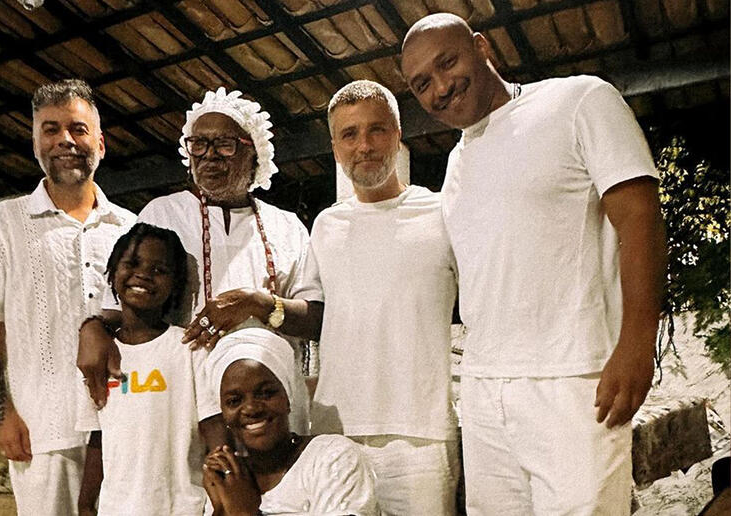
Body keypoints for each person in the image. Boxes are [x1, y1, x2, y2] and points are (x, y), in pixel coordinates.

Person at [401, 13, 666, 514]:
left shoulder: (578, 100)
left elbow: (640, 218)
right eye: (421, 84)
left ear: (482, 48)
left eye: (447, 62)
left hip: (573, 381)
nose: (440, 87)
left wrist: (636, 344)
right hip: (484, 390)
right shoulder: (458, 161)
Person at [188, 80, 462, 515]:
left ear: (398, 134)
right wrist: (261, 303)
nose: (365, 145)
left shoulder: (442, 213)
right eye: (350, 134)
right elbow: (316, 316)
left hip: (420, 436)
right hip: (338, 428)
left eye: (377, 130)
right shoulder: (326, 226)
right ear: (335, 147)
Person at [78, 88, 320, 434]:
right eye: (198, 145)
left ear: (254, 153)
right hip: (185, 402)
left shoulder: (287, 227)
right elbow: (119, 306)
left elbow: (315, 320)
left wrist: (258, 304)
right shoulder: (162, 214)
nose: (209, 157)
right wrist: (92, 327)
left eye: (224, 144)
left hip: (269, 405)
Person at [0, 79, 136, 515]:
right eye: (50, 130)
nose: (65, 141)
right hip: (44, 431)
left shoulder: (130, 227)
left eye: (77, 129)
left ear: (101, 142)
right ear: (35, 142)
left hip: (125, 426)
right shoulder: (7, 221)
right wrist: (2, 414)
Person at [76, 223, 225, 516]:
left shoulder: (189, 349)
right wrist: (85, 504)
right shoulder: (96, 358)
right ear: (112, 274)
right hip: (116, 509)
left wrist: (220, 503)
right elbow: (97, 440)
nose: (143, 274)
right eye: (131, 263)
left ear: (176, 284)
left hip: (183, 508)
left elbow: (215, 433)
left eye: (159, 269)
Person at [203, 327, 379, 516]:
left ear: (287, 397)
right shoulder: (230, 478)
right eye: (234, 401)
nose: (251, 409)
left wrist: (245, 513)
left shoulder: (332, 457)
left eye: (266, 393)